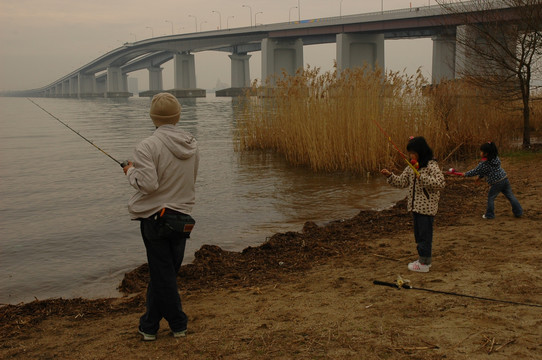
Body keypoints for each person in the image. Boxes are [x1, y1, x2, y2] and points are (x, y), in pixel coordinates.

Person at [123, 92, 199, 341]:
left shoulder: (147, 145)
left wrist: (130, 171)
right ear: (177, 116)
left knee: (162, 274)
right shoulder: (191, 143)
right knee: (163, 274)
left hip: (156, 219)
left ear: (153, 118)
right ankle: (148, 326)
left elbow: (149, 185)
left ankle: (178, 323)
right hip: (182, 218)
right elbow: (191, 179)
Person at [380, 137, 445, 273]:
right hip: (415, 208)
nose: (411, 156)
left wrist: (422, 177)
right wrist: (389, 176)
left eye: (413, 153)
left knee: (425, 236)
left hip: (426, 209)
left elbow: (440, 183)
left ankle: (424, 263)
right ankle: (423, 259)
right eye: (410, 153)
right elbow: (402, 182)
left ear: (420, 151)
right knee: (419, 235)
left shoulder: (431, 165)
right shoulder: (411, 167)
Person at [461, 142, 522, 219]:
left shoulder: (484, 164)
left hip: (496, 183)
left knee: (491, 198)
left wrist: (465, 174)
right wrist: (479, 177)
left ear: (486, 153)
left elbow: (475, 171)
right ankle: (518, 212)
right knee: (510, 196)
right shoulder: (495, 158)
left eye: (481, 151)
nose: (480, 153)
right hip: (504, 179)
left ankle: (489, 215)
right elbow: (485, 171)